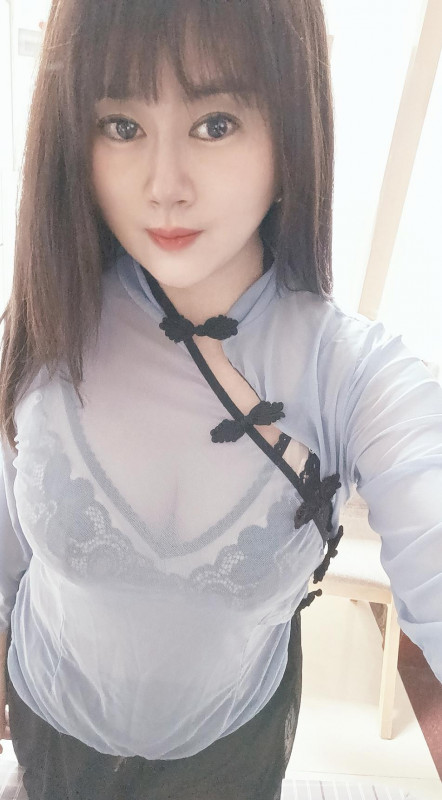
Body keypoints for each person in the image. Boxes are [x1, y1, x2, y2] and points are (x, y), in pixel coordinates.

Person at [0, 0, 441, 797]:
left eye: (215, 124)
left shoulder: (353, 378)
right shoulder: (42, 323)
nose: (164, 187)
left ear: (290, 127)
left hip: (228, 750)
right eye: (122, 126)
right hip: (50, 719)